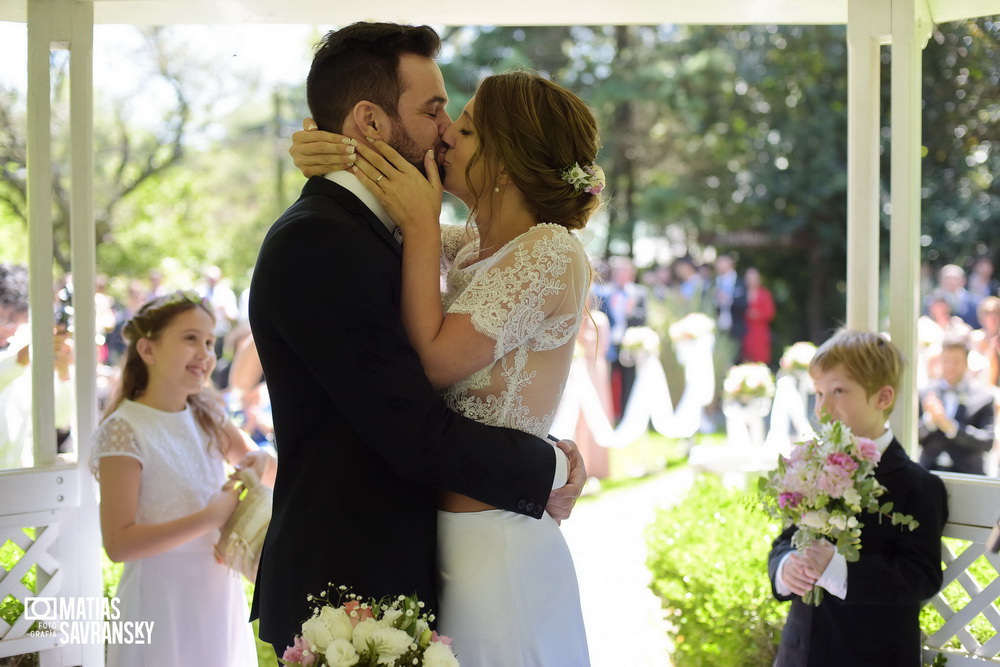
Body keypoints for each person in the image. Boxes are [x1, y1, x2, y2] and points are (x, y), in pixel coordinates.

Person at [252, 22, 585, 659]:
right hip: (349, 580)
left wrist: (354, 159)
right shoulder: (323, 240)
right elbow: (408, 428)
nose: (445, 131)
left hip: (441, 563)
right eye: (434, 110)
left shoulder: (407, 235)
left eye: (458, 122)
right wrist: (550, 465)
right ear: (372, 123)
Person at [347, 67, 600, 664]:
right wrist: (331, 151)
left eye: (464, 129)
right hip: (449, 540)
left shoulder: (551, 251)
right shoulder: (473, 248)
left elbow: (432, 360)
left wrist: (417, 224)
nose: (444, 138)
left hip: (499, 548)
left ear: (506, 159)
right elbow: (386, 204)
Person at [89, 290, 276, 666]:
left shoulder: (207, 416)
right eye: (190, 338)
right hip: (161, 601)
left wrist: (259, 460)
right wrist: (210, 518)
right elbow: (119, 543)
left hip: (217, 597)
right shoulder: (124, 430)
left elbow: (269, 470)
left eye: (210, 342)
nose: (205, 353)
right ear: (148, 349)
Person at [767, 330, 948, 666]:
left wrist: (837, 568)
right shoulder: (811, 468)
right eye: (819, 393)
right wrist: (785, 567)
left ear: (882, 398)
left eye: (838, 391)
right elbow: (785, 541)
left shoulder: (917, 486)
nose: (822, 409)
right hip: (799, 654)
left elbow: (921, 575)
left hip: (871, 654)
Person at [0, 263, 75, 469]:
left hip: (20, 477)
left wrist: (62, 371)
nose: (9, 328)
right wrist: (21, 359)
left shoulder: (26, 344)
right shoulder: (24, 352)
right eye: (5, 319)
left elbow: (60, 417)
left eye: (16, 320)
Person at [918, 335, 995, 475]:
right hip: (929, 473)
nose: (950, 367)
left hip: (968, 475)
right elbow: (913, 436)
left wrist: (953, 428)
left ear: (966, 363)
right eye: (946, 361)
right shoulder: (926, 393)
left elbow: (987, 442)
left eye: (956, 362)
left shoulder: (983, 397)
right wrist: (930, 422)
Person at [712, 253, 747, 364]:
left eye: (722, 262)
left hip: (735, 327)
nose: (719, 265)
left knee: (736, 357)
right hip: (718, 328)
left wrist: (728, 300)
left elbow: (744, 304)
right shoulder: (714, 282)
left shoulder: (740, 282)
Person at [741, 266, 776, 364]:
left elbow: (770, 312)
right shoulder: (742, 293)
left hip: (760, 331)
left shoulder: (764, 294)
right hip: (745, 330)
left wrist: (757, 315)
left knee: (760, 356)